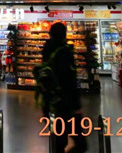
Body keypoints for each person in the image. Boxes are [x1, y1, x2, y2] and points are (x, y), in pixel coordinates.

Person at [40, 22, 84, 153]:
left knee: (58, 140)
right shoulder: (64, 52)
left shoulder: (47, 50)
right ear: (64, 34)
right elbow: (69, 80)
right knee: (80, 142)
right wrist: (76, 104)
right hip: (66, 103)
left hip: (50, 101)